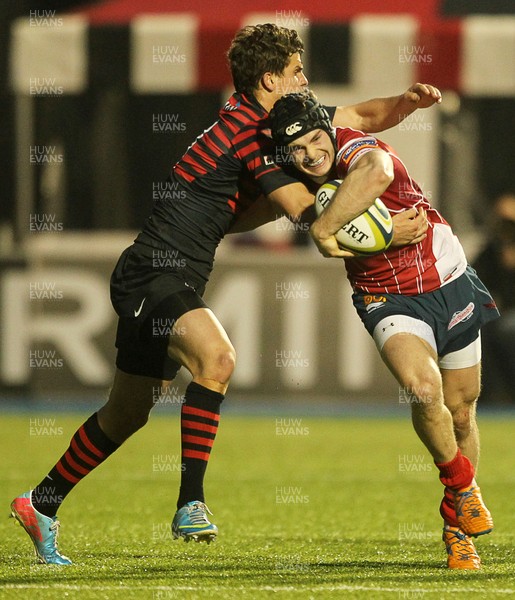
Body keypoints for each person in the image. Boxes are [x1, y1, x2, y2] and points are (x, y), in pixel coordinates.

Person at [10, 23, 438, 565]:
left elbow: (354, 118)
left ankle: (40, 503)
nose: (305, 81)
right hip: (153, 274)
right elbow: (310, 217)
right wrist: (386, 232)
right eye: (296, 72)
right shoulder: (251, 134)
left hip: (173, 275)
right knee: (217, 358)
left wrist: (405, 101)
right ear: (269, 79)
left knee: (126, 414)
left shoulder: (273, 124)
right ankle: (191, 502)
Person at [268, 92, 500, 570]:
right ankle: (462, 486)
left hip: (448, 277)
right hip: (385, 296)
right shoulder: (291, 183)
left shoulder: (354, 147)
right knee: (420, 388)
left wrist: (323, 230)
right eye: (297, 151)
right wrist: (371, 230)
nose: (311, 155)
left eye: (315, 140)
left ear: (327, 131)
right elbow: (284, 215)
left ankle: (456, 531)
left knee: (460, 412)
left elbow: (376, 172)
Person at [473, 191, 515, 404]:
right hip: (499, 313)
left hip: (510, 315)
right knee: (476, 327)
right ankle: (487, 393)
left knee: (508, 328)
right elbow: (473, 278)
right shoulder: (492, 249)